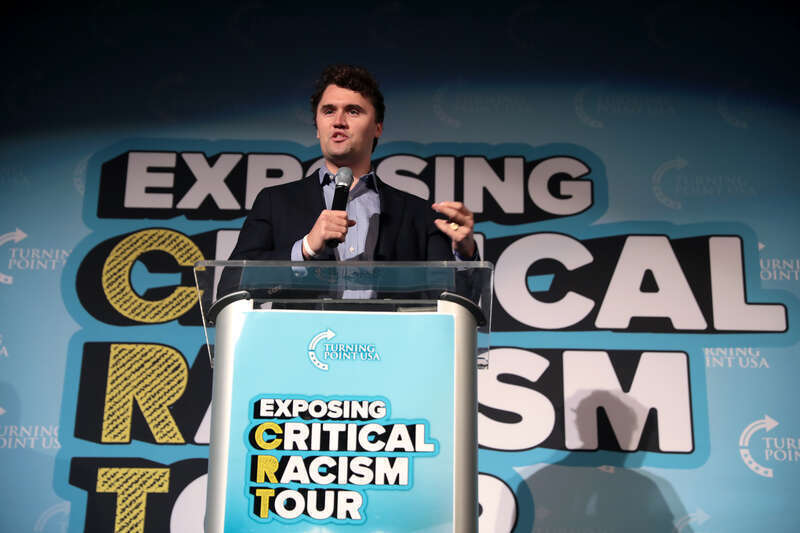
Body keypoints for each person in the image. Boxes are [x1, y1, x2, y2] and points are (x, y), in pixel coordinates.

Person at [219, 65, 478, 298]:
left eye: (353, 111)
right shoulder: (276, 201)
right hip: (300, 347)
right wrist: (306, 248)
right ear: (317, 126)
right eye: (329, 111)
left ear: (377, 127)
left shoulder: (418, 213)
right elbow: (231, 287)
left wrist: (464, 253)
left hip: (391, 348)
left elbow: (454, 307)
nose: (339, 122)